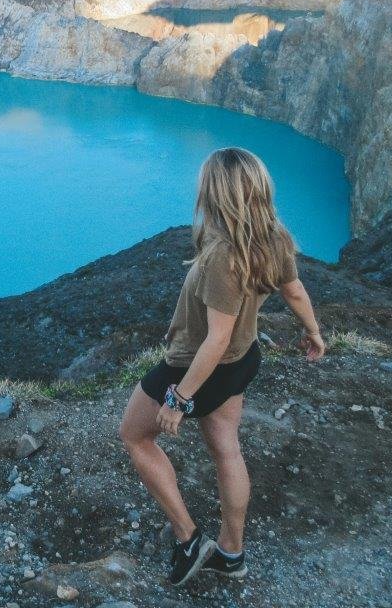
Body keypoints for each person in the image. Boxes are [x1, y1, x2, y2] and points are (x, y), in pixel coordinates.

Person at [118, 147, 326, 586]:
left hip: (193, 368)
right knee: (226, 447)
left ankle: (188, 537)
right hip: (242, 361)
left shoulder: (221, 258)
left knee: (135, 436)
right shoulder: (274, 237)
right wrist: (313, 331)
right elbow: (294, 292)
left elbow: (215, 339)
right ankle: (232, 554)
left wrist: (178, 398)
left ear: (216, 194)